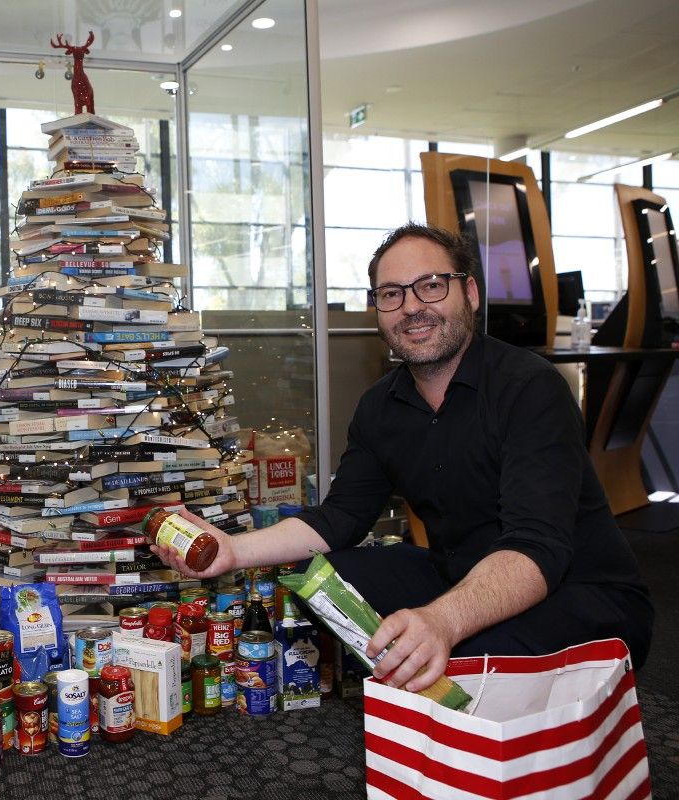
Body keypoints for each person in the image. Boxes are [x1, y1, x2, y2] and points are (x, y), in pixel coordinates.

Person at [154, 222, 653, 693]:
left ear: (471, 294)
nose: (412, 307)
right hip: (460, 575)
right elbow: (341, 517)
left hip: (581, 591)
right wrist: (234, 550)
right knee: (324, 584)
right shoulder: (380, 406)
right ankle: (423, 671)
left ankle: (451, 671)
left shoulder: (529, 388)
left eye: (431, 285)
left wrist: (443, 621)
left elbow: (537, 547)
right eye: (392, 294)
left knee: (465, 660)